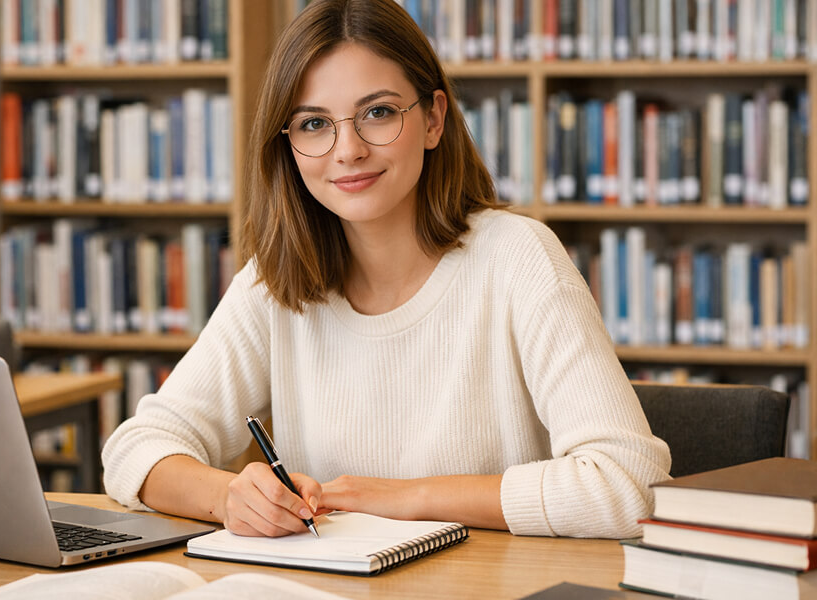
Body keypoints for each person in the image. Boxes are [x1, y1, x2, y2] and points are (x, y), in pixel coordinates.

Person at [102, 0, 671, 540]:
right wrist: (229, 496)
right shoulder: (277, 282)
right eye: (313, 124)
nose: (347, 149)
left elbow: (629, 483)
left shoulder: (519, 258)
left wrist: (407, 498)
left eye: (378, 113)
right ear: (288, 144)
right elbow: (135, 449)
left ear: (432, 119)